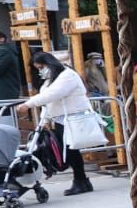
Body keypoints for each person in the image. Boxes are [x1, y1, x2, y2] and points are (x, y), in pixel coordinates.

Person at [19, 51, 94, 195]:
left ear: (49, 63)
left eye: (41, 67)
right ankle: (81, 180)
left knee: (71, 151)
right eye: (38, 69)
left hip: (72, 118)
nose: (40, 71)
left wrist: (29, 104)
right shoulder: (52, 79)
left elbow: (52, 95)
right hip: (62, 119)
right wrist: (45, 119)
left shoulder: (67, 75)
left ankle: (80, 180)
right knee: (70, 151)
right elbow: (49, 100)